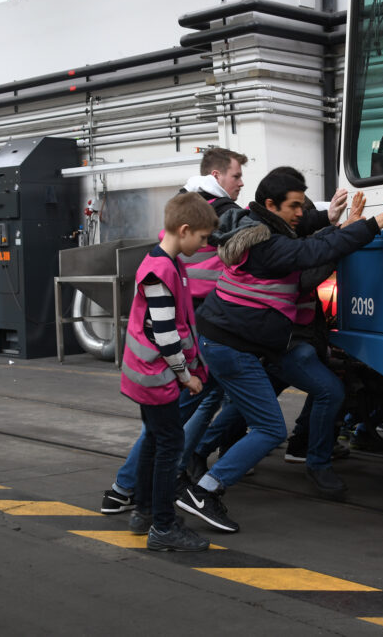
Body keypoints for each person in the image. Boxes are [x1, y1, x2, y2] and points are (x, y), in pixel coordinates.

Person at [176, 169, 383, 532]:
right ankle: (198, 486)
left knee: (245, 405)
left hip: (248, 340)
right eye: (295, 206)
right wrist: (374, 222)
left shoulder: (265, 228)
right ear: (271, 205)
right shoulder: (265, 243)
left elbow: (309, 243)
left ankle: (183, 474)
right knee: (266, 425)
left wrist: (342, 225)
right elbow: (312, 251)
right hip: (232, 344)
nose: (302, 213)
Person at [101, 148, 247, 514]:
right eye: (236, 176)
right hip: (159, 373)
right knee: (166, 441)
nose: (204, 247)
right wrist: (184, 374)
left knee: (170, 429)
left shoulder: (173, 259)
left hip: (167, 366)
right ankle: (151, 510)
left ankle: (142, 505)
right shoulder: (164, 268)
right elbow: (165, 331)